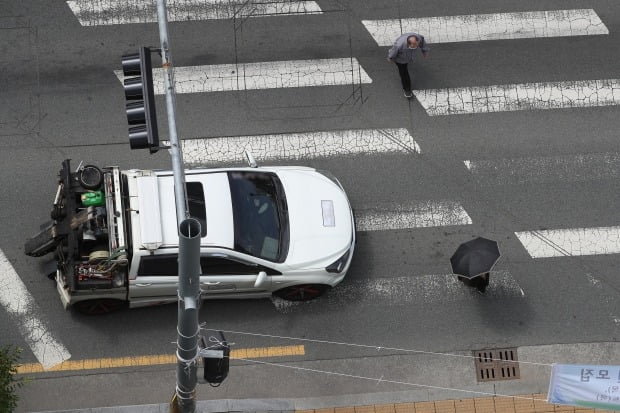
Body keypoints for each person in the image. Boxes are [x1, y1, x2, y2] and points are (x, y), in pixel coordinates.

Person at [387, 32, 429, 98]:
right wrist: (390, 58)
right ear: (408, 44)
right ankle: (407, 89)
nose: (416, 47)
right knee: (404, 73)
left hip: (408, 57)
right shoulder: (399, 45)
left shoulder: (419, 38)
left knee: (405, 67)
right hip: (400, 59)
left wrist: (425, 51)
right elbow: (393, 52)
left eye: (416, 46)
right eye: (413, 47)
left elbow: (423, 43)